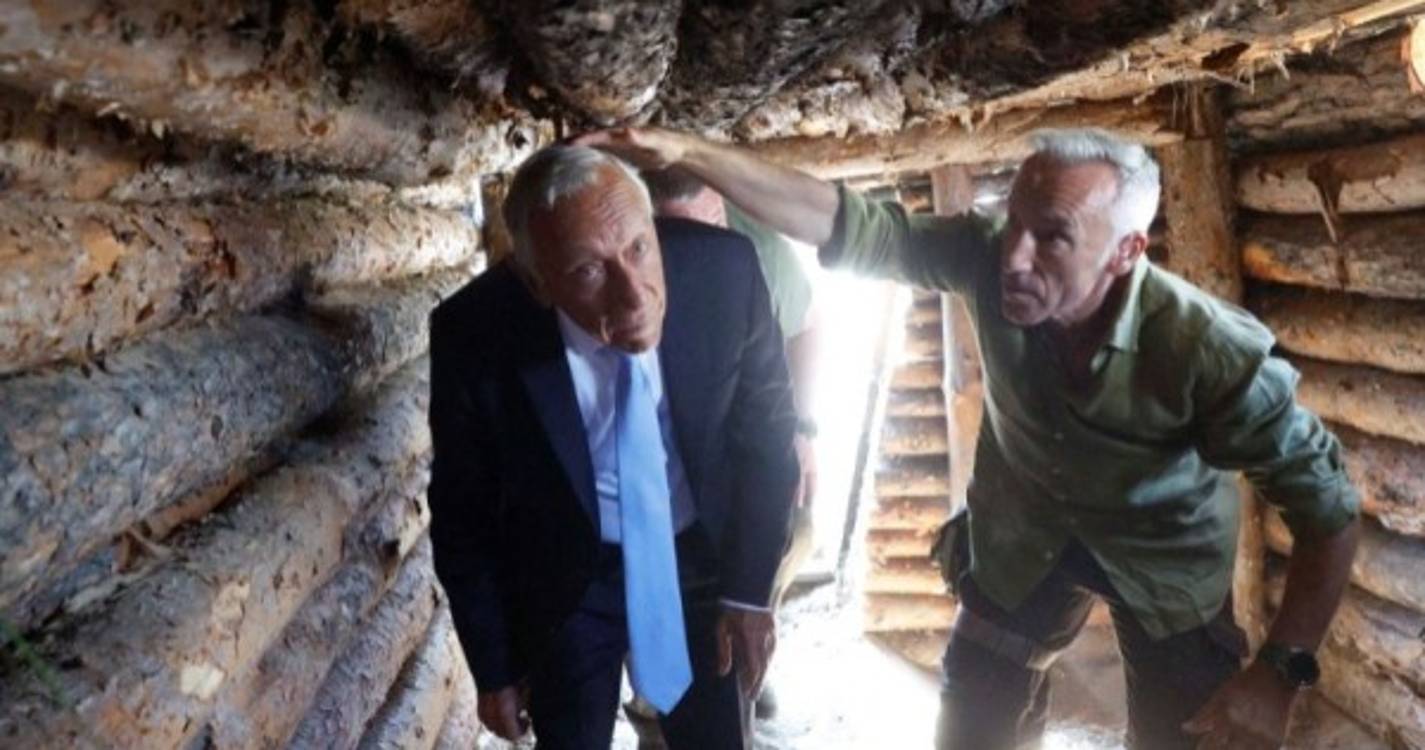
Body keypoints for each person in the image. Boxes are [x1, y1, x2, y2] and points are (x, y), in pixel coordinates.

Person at [576, 126, 1361, 750]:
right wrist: (691, 153)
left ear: (1127, 251)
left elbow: (1328, 512)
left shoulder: (1206, 352)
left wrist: (1279, 672)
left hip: (1164, 564)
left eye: (1051, 237)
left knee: (1187, 737)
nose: (1013, 257)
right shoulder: (987, 257)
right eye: (1012, 222)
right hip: (1022, 539)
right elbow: (848, 223)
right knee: (972, 726)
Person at [427, 144, 800, 750]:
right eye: (588, 271)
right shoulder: (475, 334)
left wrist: (749, 590)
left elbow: (768, 436)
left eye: (639, 248)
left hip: (698, 558)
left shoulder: (724, 274)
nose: (634, 295)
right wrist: (494, 667)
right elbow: (462, 513)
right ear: (537, 281)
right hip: (566, 574)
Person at [641, 167, 822, 721]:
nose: (681, 247)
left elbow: (806, 326)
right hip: (668, 475)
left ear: (719, 206)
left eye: (695, 230)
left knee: (787, 536)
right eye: (666, 232)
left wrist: (803, 428)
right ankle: (655, 698)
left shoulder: (757, 251)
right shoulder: (633, 255)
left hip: (744, 446)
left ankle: (748, 650)